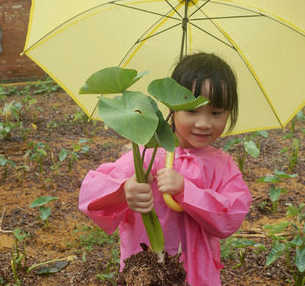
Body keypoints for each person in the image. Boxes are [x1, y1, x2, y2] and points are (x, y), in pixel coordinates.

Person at [78, 53, 252, 286]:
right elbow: (90, 194)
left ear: (230, 112)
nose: (203, 123)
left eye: (216, 112)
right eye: (192, 110)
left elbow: (232, 215)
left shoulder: (222, 165)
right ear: (173, 107)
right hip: (144, 273)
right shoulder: (147, 154)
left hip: (198, 277)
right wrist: (125, 190)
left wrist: (186, 190)